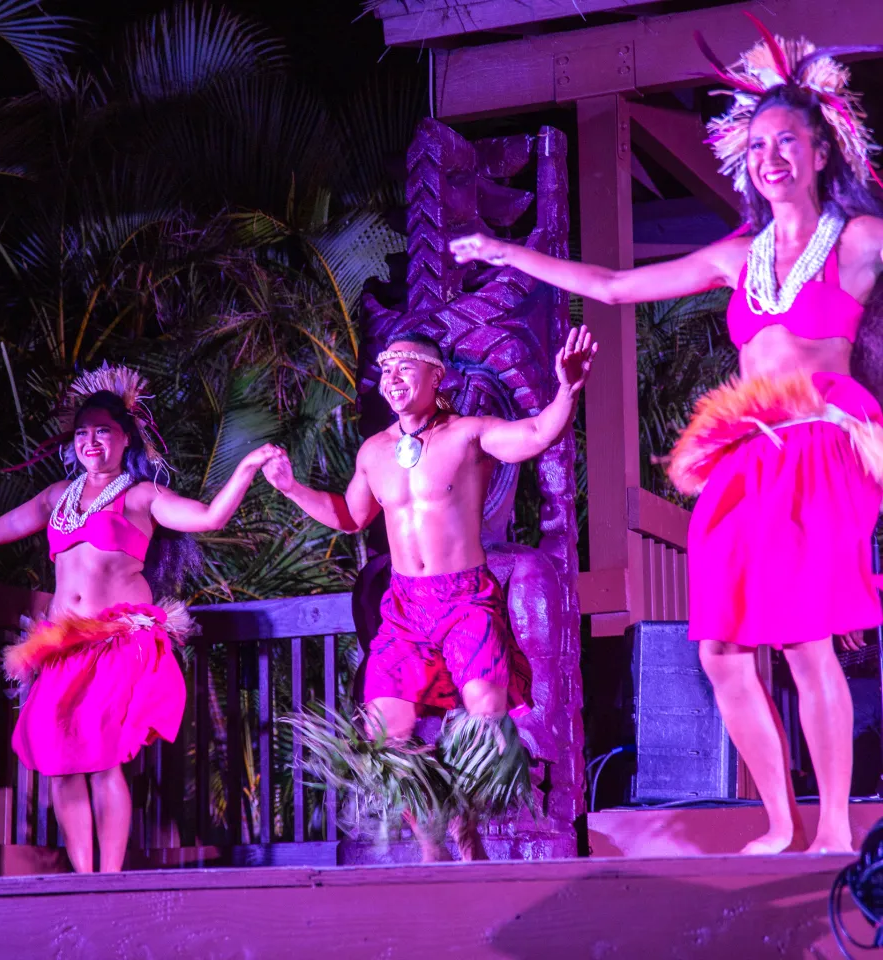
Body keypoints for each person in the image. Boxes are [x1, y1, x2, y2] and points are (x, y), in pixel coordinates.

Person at [451, 18, 883, 855]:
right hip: (747, 454)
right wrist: (511, 254)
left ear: (823, 150)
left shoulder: (861, 243)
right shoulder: (736, 255)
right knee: (719, 645)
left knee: (803, 635)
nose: (771, 158)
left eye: (789, 140)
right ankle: (779, 820)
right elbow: (612, 286)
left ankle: (832, 827)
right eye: (757, 145)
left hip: (824, 448)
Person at [0, 363, 277, 872]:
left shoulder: (140, 496)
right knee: (61, 766)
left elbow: (207, 518)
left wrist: (245, 468)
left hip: (118, 643)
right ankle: (82, 877)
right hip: (62, 647)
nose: (92, 441)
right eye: (84, 432)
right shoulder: (56, 498)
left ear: (125, 436)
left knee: (103, 758)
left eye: (103, 431)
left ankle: (109, 880)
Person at [262, 325, 597, 860]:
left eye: (405, 366)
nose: (391, 377)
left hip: (465, 600)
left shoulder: (468, 433)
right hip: (404, 609)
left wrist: (567, 390)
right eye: (385, 368)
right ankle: (433, 842)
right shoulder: (374, 452)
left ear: (436, 375)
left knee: (483, 718)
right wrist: (291, 487)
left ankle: (467, 830)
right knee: (385, 736)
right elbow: (351, 517)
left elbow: (535, 434)